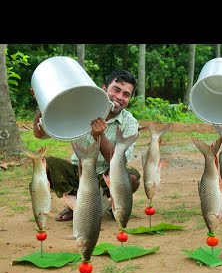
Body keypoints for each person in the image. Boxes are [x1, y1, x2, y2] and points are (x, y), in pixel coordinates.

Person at [32, 69, 141, 221]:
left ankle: (110, 204)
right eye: (116, 90)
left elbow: (118, 163)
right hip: (78, 174)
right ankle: (75, 205)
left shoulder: (130, 123)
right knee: (43, 166)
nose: (119, 97)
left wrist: (100, 136)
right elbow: (39, 134)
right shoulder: (81, 109)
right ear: (103, 89)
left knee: (131, 177)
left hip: (107, 177)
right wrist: (41, 102)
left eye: (126, 94)